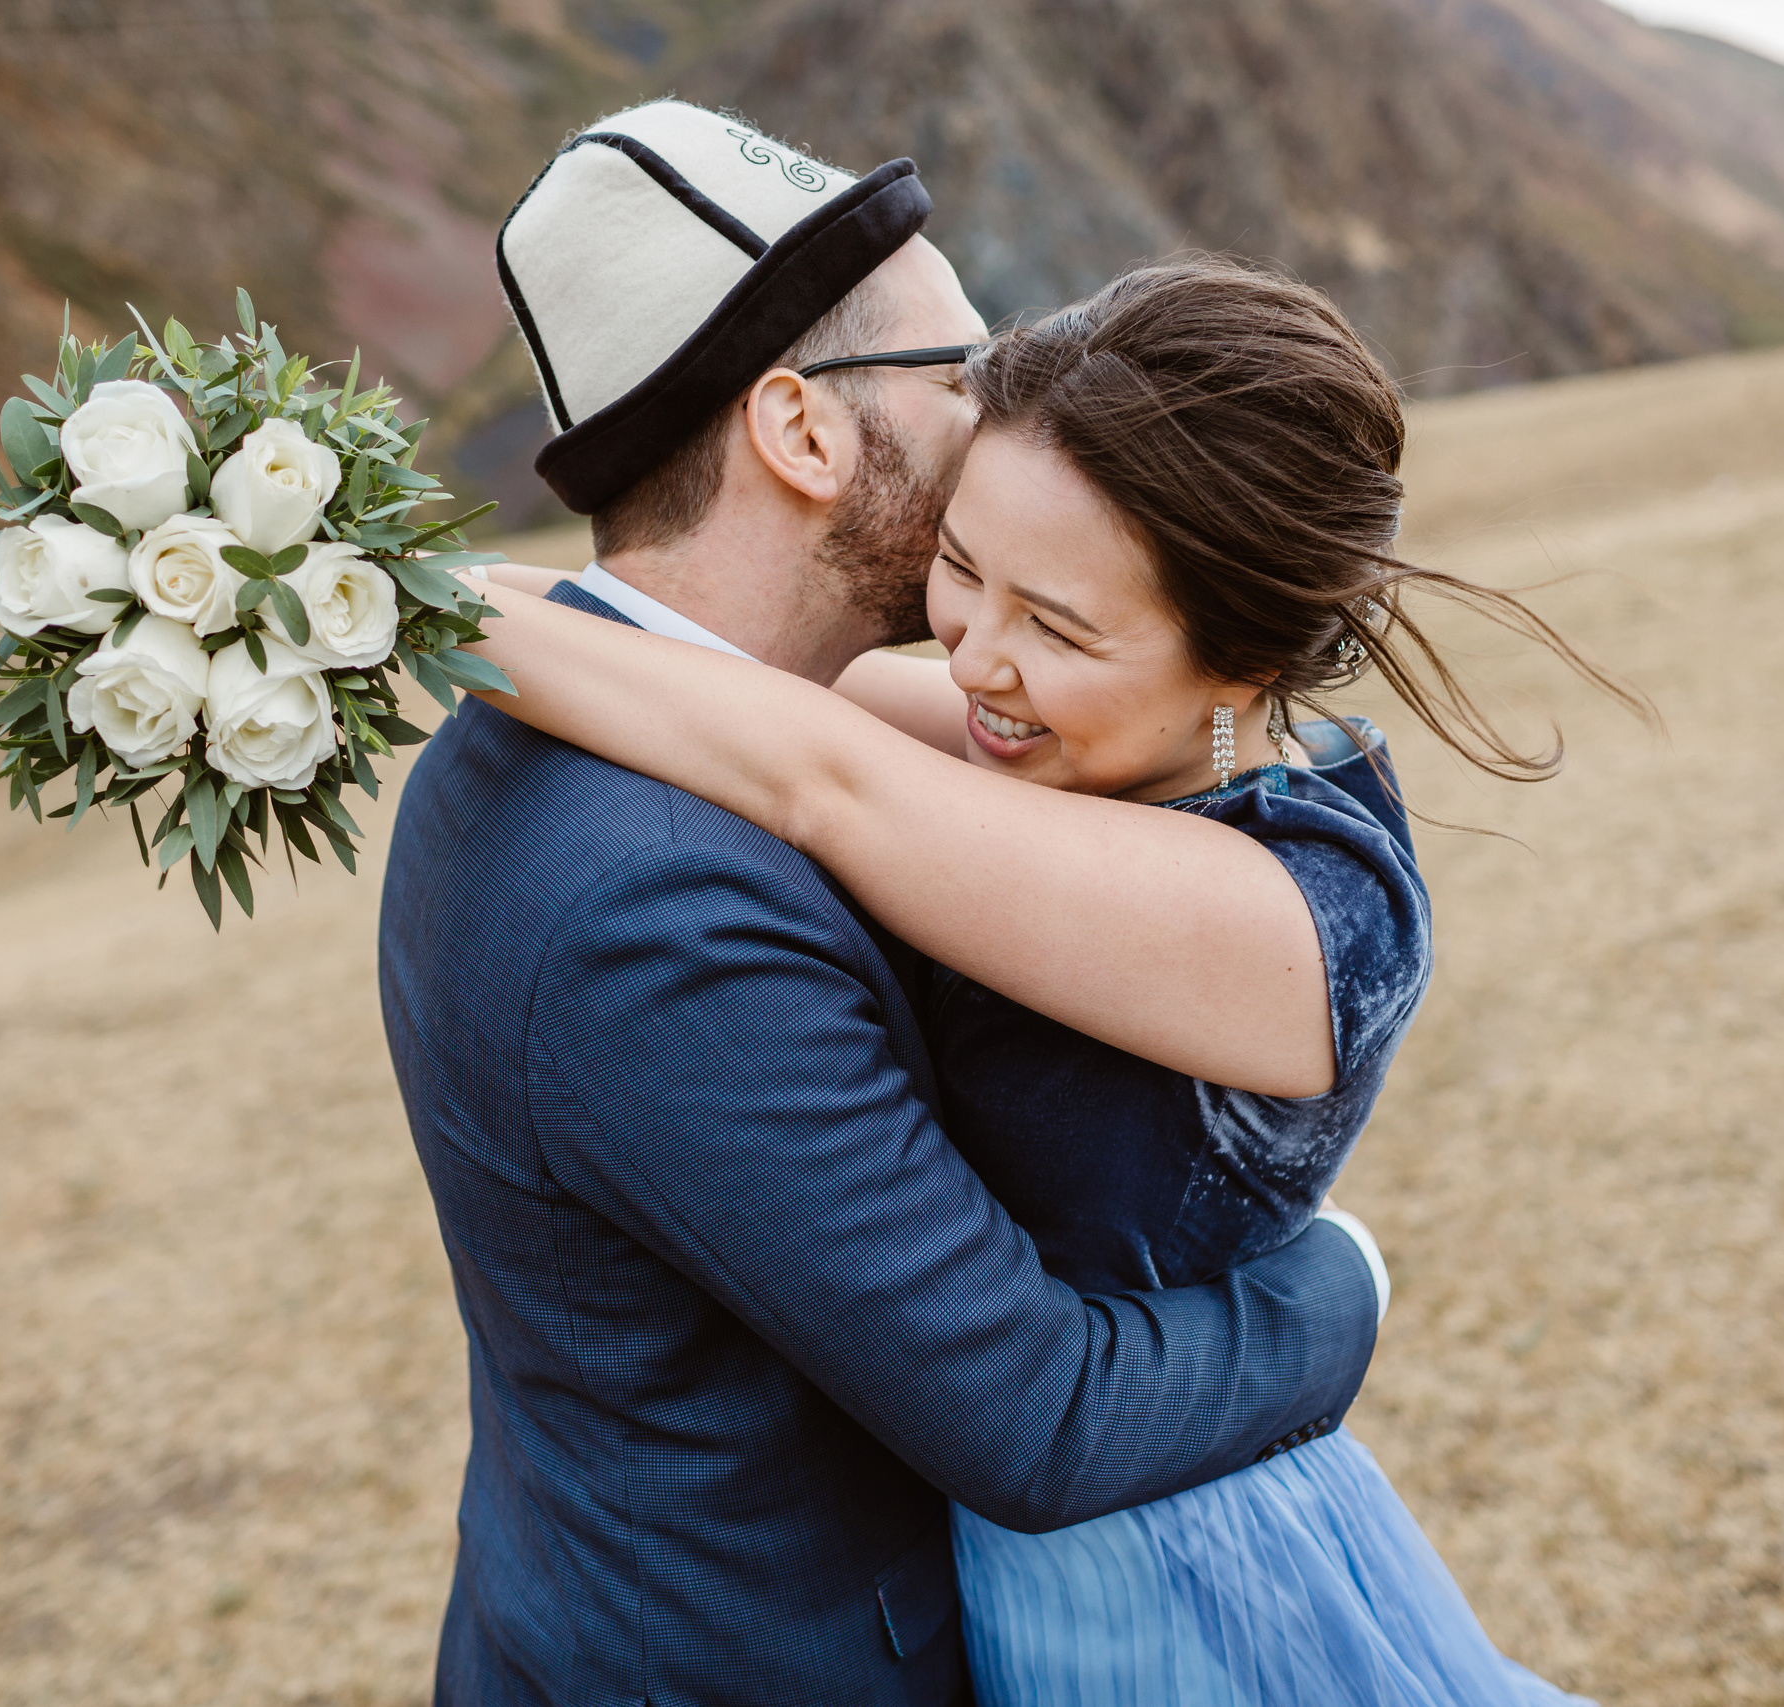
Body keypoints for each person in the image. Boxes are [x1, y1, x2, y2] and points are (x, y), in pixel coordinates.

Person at [449, 254, 1634, 1704]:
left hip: (1169, 1573)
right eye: (961, 565)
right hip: (1034, 1557)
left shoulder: (1295, 914)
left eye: (1058, 626)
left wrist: (383, 595)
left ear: (1242, 657)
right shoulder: (1077, 733)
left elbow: (815, 772)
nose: (973, 656)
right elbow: (737, 684)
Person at [378, 103, 1392, 1706]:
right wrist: (1346, 1287)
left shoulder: (551, 729)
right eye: (958, 372)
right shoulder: (652, 897)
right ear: (800, 432)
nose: (1003, 409)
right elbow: (1033, 1411)